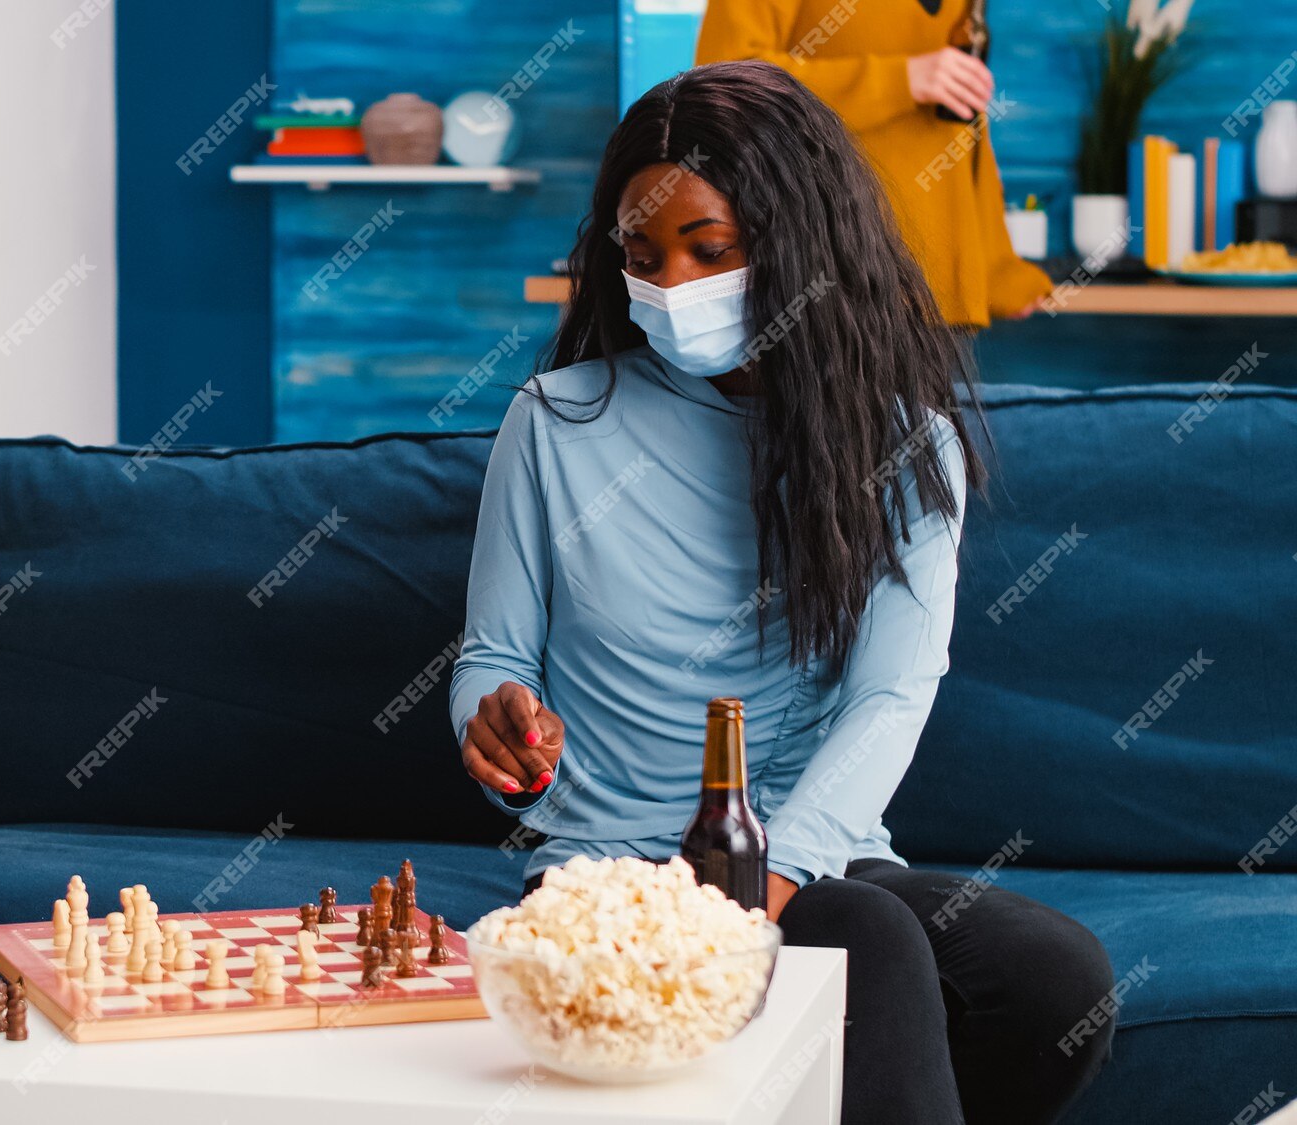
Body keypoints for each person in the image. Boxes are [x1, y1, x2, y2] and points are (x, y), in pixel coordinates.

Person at [450, 63, 1111, 1124]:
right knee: (869, 939)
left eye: (709, 251)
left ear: (798, 242)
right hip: (615, 883)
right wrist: (497, 737)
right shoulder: (555, 422)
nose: (668, 282)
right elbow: (493, 660)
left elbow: (888, 699)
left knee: (1049, 977)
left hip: (817, 861)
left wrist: (771, 881)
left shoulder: (899, 448)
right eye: (639, 252)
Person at [697, 0, 1050, 326]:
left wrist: (998, 265)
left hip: (938, 292)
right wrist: (900, 80)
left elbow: (963, 125)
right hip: (825, 277)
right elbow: (725, 85)